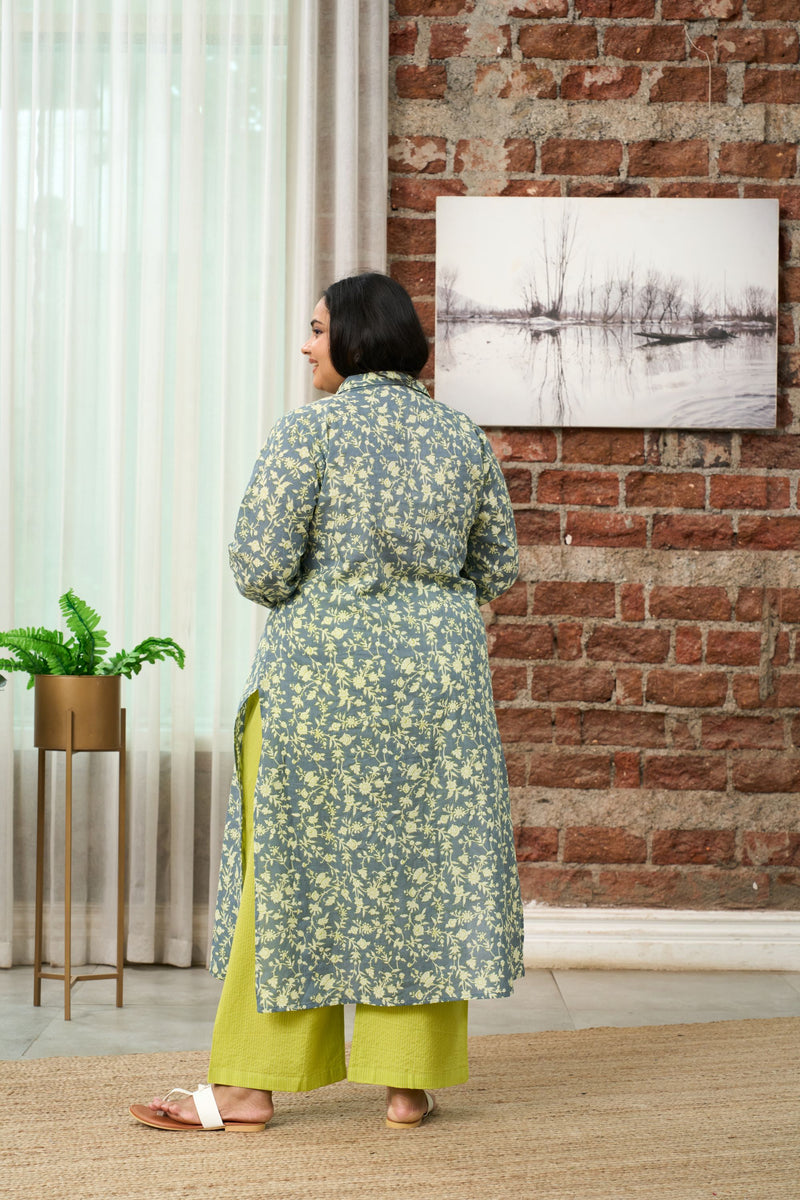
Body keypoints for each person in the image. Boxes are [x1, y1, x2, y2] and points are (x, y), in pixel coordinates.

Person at [129, 272, 523, 1133]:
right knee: (420, 875)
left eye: (315, 329)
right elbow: (497, 568)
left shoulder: (307, 434)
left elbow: (261, 568)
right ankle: (407, 1084)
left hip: (318, 691)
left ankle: (250, 1086)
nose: (305, 345)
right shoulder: (461, 437)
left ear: (353, 336)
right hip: (435, 690)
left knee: (287, 878)